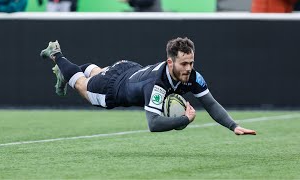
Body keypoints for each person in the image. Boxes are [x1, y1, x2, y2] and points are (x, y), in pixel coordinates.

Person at [40, 37, 256, 135]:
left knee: (95, 71)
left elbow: (210, 103)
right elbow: (153, 124)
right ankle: (56, 54)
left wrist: (233, 126)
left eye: (191, 62)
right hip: (112, 89)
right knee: (81, 84)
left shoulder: (192, 76)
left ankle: (67, 69)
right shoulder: (157, 85)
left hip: (128, 68)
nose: (189, 68)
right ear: (170, 62)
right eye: (184, 63)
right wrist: (185, 119)